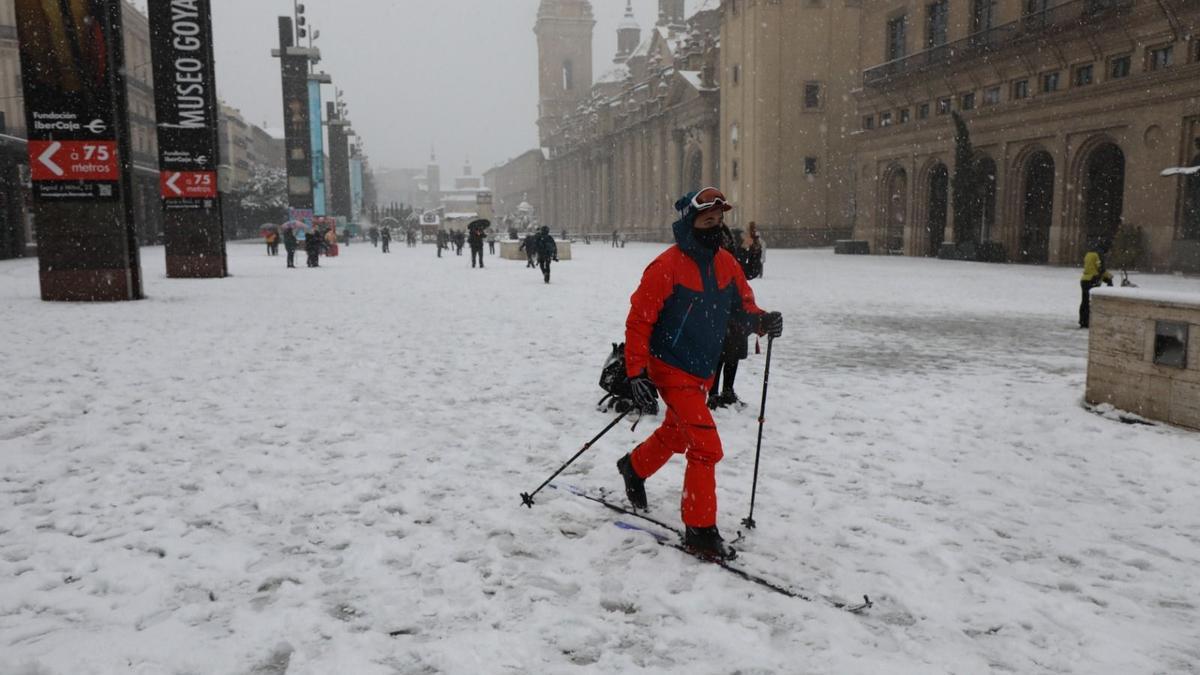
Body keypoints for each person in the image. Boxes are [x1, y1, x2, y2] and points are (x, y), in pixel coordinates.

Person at [616, 187, 783, 559]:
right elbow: (639, 322)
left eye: (720, 221)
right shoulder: (666, 266)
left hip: (702, 369)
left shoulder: (726, 264)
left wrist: (763, 321)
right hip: (669, 365)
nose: (716, 228)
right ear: (691, 223)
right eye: (708, 221)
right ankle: (700, 529)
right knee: (706, 446)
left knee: (677, 434)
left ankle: (633, 468)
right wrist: (637, 372)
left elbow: (743, 307)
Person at [709, 227, 756, 409]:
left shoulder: (730, 249)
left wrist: (750, 249)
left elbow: (748, 273)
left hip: (735, 311)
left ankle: (727, 391)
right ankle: (712, 393)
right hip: (718, 310)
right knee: (718, 356)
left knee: (732, 354)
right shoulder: (715, 247)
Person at [1079, 241, 1114, 328]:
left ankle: (1083, 320)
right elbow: (1101, 269)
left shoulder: (1089, 253)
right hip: (1092, 280)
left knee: (1085, 301)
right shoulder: (1099, 254)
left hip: (1084, 280)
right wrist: (1109, 277)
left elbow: (1091, 268)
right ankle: (1089, 321)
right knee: (1092, 302)